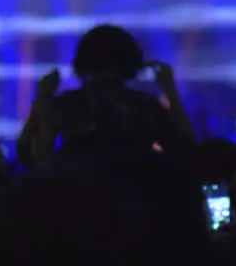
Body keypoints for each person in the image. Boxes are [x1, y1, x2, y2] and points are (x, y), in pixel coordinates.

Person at [19, 24, 196, 164]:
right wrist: (170, 90)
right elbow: (186, 150)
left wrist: (43, 99)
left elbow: (27, 155)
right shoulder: (144, 105)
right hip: (135, 202)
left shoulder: (69, 104)